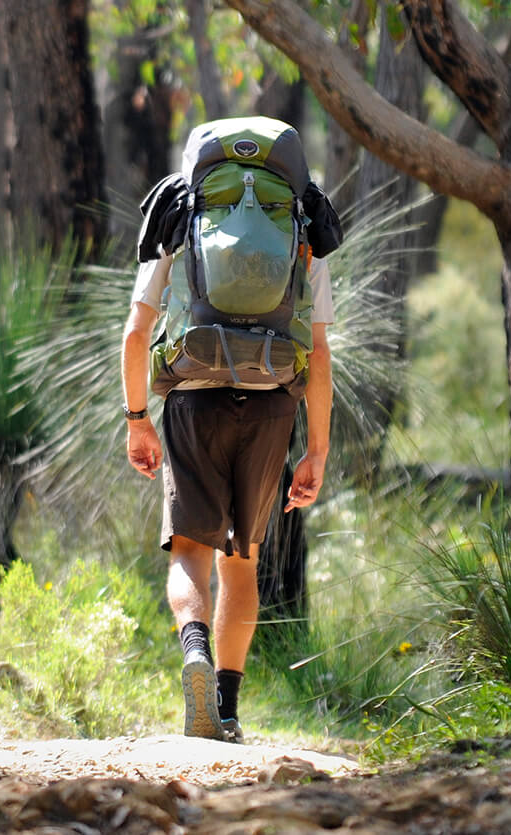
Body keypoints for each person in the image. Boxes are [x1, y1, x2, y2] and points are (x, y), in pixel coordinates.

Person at [118, 233, 334, 743]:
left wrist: (137, 420)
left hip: (195, 397)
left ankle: (195, 650)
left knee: (190, 552)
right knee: (241, 563)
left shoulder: (180, 215)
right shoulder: (299, 223)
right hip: (270, 401)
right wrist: (317, 450)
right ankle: (227, 710)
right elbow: (319, 352)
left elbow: (135, 335)